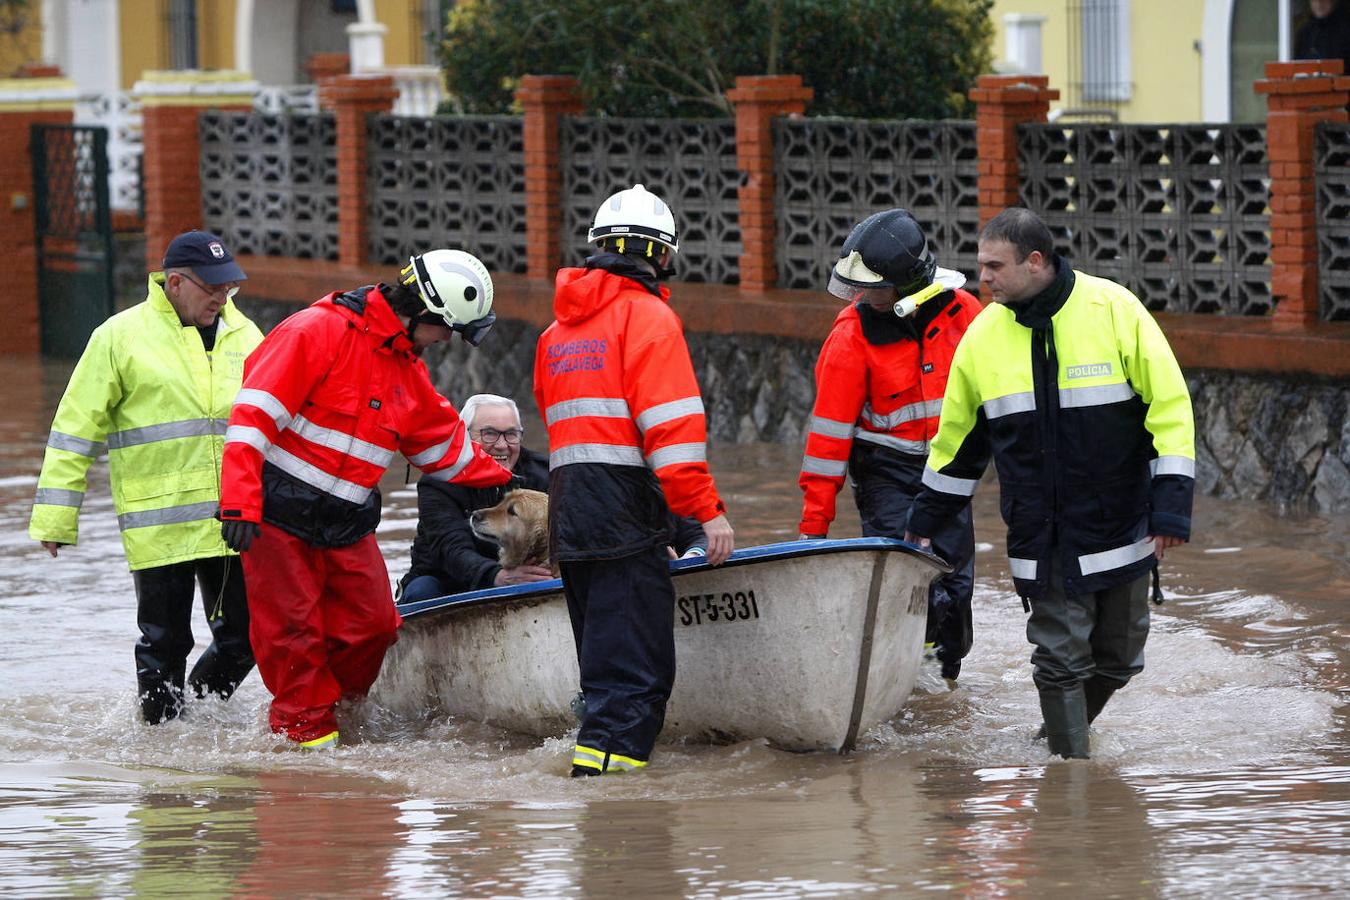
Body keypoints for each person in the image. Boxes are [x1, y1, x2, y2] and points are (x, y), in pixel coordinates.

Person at [904, 207, 1195, 759]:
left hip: (1121, 523)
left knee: (1120, 659)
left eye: (994, 266)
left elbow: (1170, 408)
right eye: (980, 265)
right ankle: (1069, 781)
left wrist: (1172, 509)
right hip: (1042, 534)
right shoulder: (982, 337)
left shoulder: (1114, 310)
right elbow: (957, 445)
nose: (981, 278)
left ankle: (1058, 742)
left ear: (1035, 262)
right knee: (1058, 662)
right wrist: (923, 525)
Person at [217, 248, 512, 750]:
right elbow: (251, 420)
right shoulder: (315, 331)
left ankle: (337, 716)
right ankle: (307, 747)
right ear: (423, 311)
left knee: (374, 627)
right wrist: (240, 503)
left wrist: (524, 483)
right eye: (447, 329)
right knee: (294, 637)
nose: (445, 342)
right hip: (277, 516)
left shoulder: (407, 371)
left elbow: (449, 450)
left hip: (346, 521)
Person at [533, 183, 735, 776]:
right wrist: (706, 513)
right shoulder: (651, 318)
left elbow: (565, 426)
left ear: (596, 248)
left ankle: (599, 800)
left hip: (569, 509)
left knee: (602, 665)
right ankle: (615, 816)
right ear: (663, 255)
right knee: (639, 673)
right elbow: (670, 434)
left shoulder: (554, 335)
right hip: (623, 511)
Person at [29, 230, 262, 724]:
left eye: (228, 286)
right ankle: (162, 756)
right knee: (165, 644)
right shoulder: (119, 337)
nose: (222, 297)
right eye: (211, 287)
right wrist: (55, 517)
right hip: (160, 525)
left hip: (233, 521)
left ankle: (196, 724)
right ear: (174, 283)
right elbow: (75, 429)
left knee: (247, 641)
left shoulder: (246, 334)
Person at [797, 208, 982, 681]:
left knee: (955, 593)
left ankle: (943, 682)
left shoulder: (965, 314)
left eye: (874, 288)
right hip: (885, 473)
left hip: (948, 471)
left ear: (908, 284)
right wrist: (812, 532)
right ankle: (901, 681)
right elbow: (826, 443)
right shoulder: (850, 339)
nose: (863, 297)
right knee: (911, 585)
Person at [399, 393, 709, 603]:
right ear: (465, 436)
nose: (502, 445)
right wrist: (495, 576)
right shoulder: (438, 482)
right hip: (451, 579)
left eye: (512, 434)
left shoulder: (547, 473)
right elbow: (451, 548)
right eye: (490, 433)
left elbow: (604, 516)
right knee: (422, 592)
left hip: (534, 577)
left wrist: (689, 547)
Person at [1295, 0, 1350, 75]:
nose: (1319, 4)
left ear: (1332, 2)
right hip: (1310, 84)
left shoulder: (1345, 29)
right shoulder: (1304, 33)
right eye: (1314, 1)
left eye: (1323, 0)